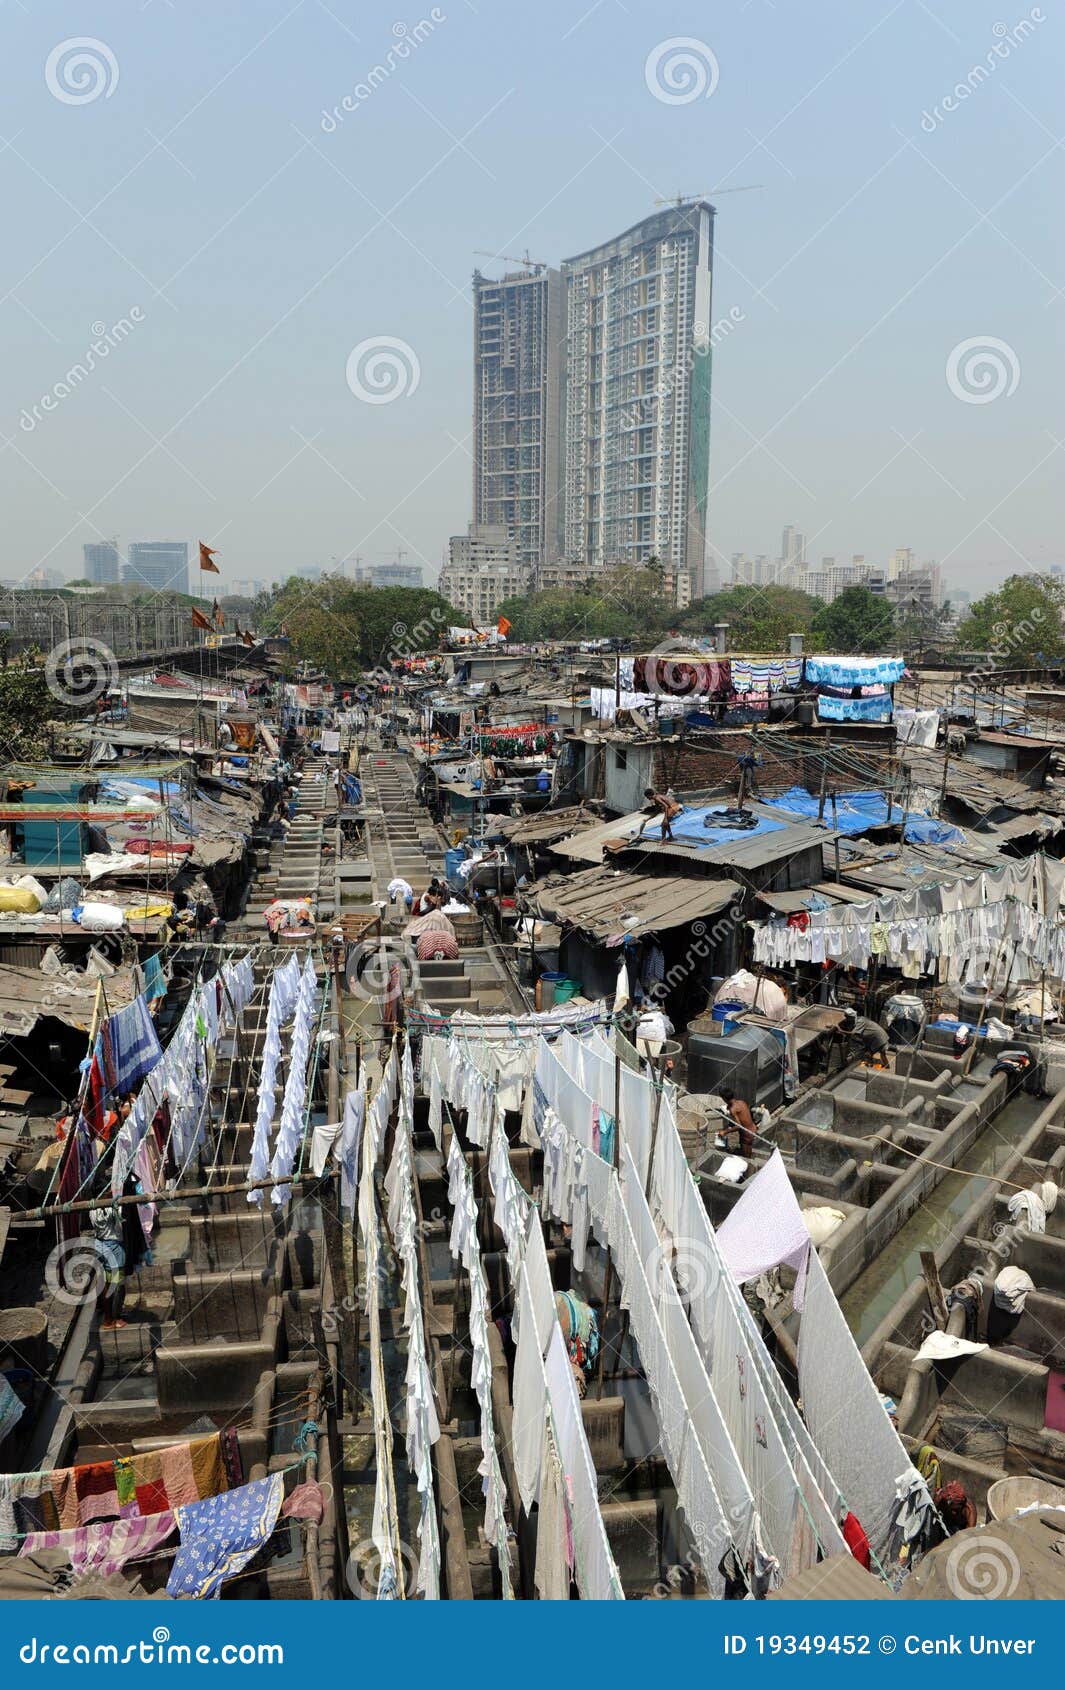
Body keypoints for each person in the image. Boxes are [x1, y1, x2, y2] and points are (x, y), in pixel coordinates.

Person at [90, 1202, 127, 1330]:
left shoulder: (92, 1208)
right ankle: (114, 1318)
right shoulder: (113, 1208)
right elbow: (122, 1224)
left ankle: (107, 1317)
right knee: (117, 1285)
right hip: (114, 1247)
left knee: (104, 1283)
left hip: (99, 1245)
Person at [720, 1091, 758, 1157]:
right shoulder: (742, 1102)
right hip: (753, 1129)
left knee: (746, 1156)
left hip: (747, 1134)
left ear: (725, 1099)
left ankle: (748, 1165)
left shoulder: (733, 1109)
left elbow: (738, 1126)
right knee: (748, 1150)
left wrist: (725, 1132)